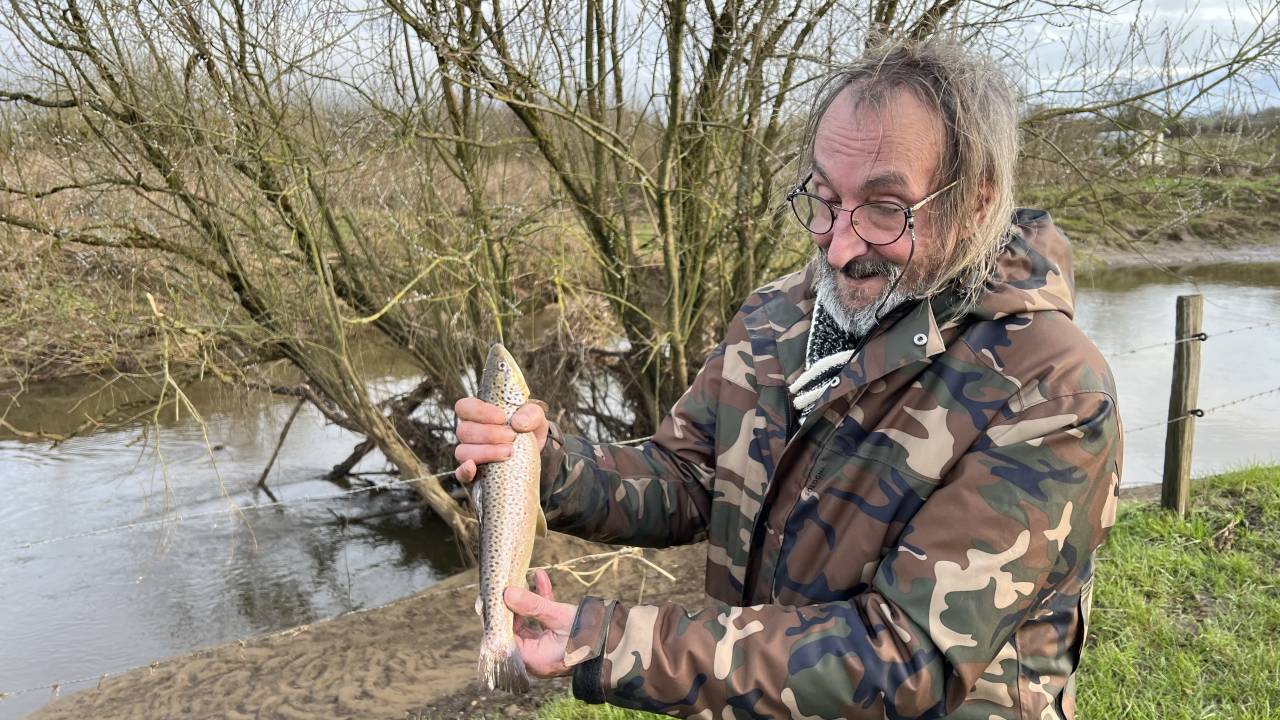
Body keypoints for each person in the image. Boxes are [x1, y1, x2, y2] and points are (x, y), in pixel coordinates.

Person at [454, 37, 1122, 720]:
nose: (838, 245)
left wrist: (612, 642)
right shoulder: (778, 317)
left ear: (975, 205)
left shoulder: (1054, 389)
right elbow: (690, 476)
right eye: (825, 198)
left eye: (886, 207)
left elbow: (900, 657)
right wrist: (545, 468)